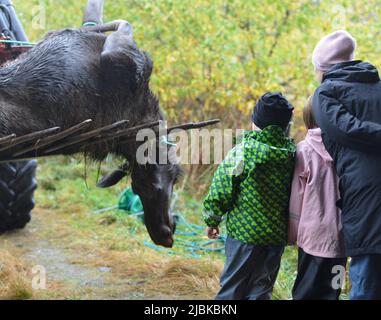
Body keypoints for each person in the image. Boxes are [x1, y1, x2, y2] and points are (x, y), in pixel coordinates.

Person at [203, 92, 295, 300]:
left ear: (255, 122)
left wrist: (212, 219)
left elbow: (221, 189)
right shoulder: (292, 155)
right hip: (274, 237)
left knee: (232, 286)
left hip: (244, 236)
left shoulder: (243, 152)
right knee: (262, 289)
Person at [312, 30, 381, 300]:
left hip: (365, 198)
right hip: (367, 200)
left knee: (365, 281)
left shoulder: (325, 94)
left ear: (324, 67)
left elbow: (346, 130)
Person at [288, 95, 347, 300]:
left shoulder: (303, 150)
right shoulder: (349, 149)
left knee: (305, 291)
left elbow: (297, 196)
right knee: (333, 291)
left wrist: (293, 233)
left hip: (312, 237)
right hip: (342, 239)